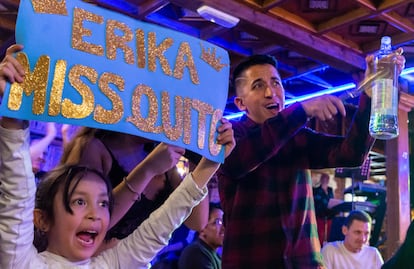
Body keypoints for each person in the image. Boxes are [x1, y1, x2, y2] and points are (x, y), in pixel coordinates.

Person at [0, 44, 235, 269]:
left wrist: (209, 162)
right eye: (79, 202)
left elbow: (160, 226)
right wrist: (13, 105)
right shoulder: (21, 261)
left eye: (104, 203)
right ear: (42, 219)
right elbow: (16, 190)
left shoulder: (111, 264)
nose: (96, 215)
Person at [217, 53, 405, 268]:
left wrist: (370, 97)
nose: (271, 92)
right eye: (258, 86)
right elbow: (239, 163)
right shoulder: (230, 135)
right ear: (240, 103)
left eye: (276, 83)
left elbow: (351, 154)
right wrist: (302, 110)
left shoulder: (297, 137)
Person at [59, 127, 209, 252]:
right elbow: (87, 222)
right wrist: (147, 170)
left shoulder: (160, 155)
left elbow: (197, 222)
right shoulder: (91, 147)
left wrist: (197, 158)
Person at [178, 203, 224, 269]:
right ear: (202, 229)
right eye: (217, 222)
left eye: (223, 222)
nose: (223, 228)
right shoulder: (195, 253)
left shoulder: (216, 255)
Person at [313, 173, 342, 246]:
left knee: (329, 233)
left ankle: (328, 246)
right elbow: (316, 201)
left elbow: (331, 200)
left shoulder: (330, 190)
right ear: (321, 179)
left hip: (329, 215)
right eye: (324, 178)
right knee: (320, 234)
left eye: (327, 179)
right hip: (319, 214)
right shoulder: (316, 190)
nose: (325, 180)